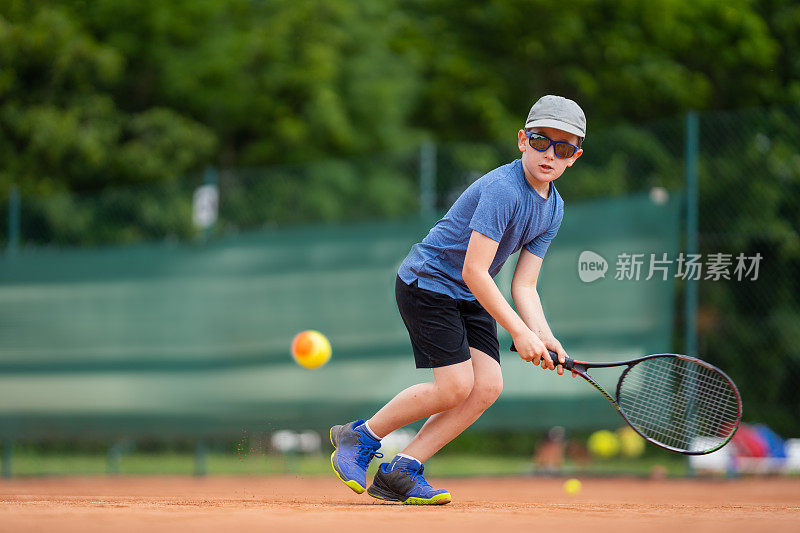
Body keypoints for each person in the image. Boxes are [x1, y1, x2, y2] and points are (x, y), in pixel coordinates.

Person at [330, 95, 585, 505]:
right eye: (541, 141)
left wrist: (545, 336)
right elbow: (474, 270)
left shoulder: (553, 209)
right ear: (522, 140)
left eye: (564, 147)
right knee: (454, 386)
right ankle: (359, 436)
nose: (550, 154)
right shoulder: (504, 189)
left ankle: (400, 472)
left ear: (575, 157)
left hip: (469, 293)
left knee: (486, 387)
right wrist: (519, 333)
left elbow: (525, 286)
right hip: (428, 284)